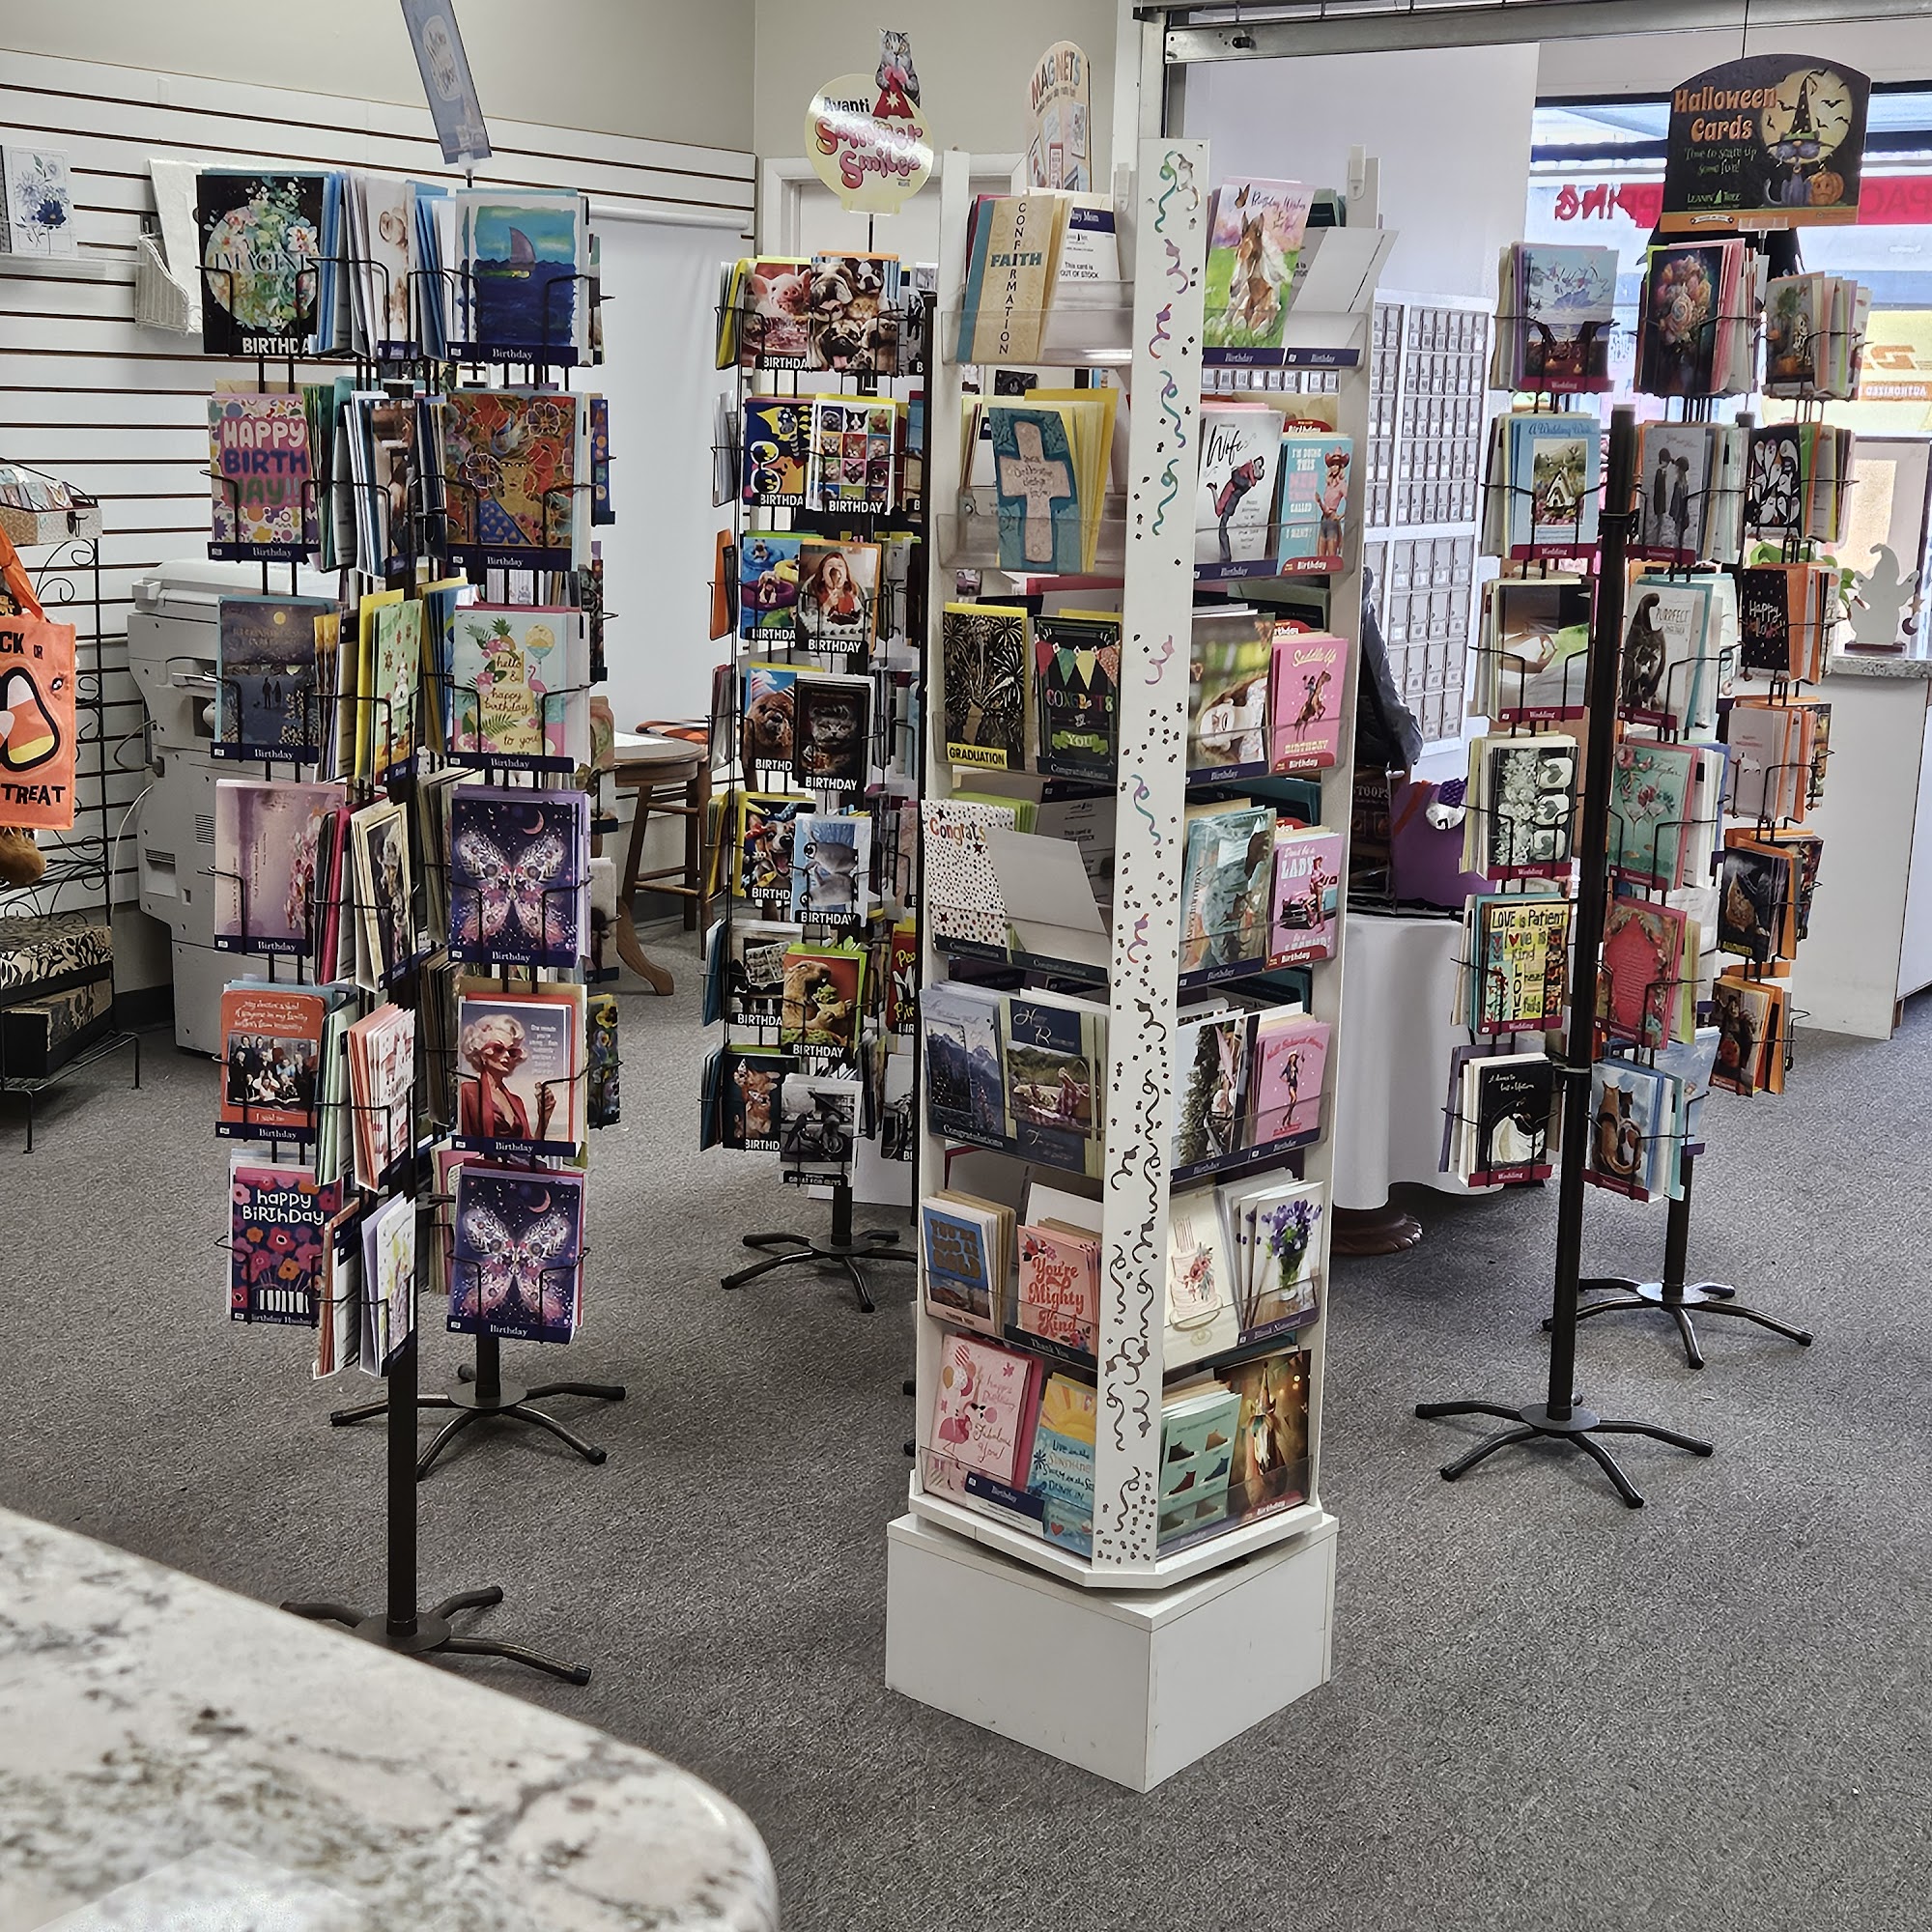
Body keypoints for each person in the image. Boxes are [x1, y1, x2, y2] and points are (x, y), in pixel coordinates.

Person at [458, 1010, 556, 1143]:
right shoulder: (468, 1092)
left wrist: (544, 1116)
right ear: (482, 1054)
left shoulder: (517, 1102)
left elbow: (529, 1148)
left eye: (512, 1051)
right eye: (498, 1048)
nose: (507, 1056)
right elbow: (464, 1144)